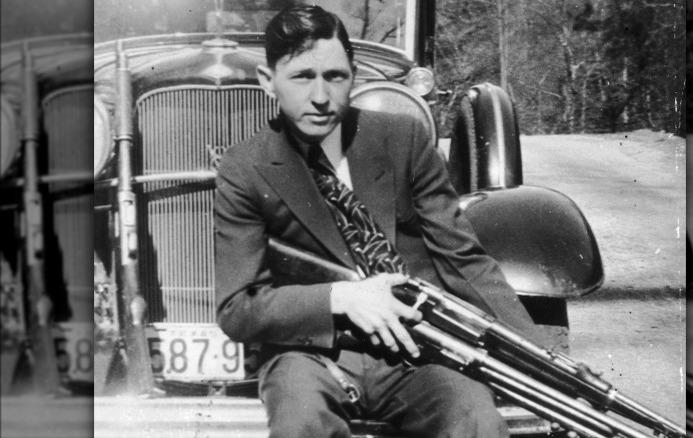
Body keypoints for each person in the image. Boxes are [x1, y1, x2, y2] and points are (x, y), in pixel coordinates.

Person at [214, 5, 550, 437]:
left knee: (477, 421)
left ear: (354, 76)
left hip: (419, 349)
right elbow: (238, 308)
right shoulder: (245, 167)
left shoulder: (403, 139)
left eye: (335, 76)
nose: (320, 96)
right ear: (268, 81)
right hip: (311, 356)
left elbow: (463, 260)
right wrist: (342, 298)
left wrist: (540, 358)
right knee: (301, 423)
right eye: (301, 77)